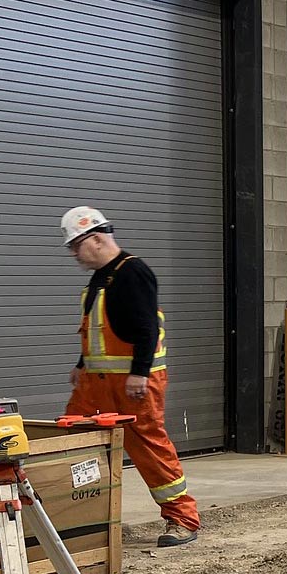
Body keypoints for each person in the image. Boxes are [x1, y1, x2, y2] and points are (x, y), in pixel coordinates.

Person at [62, 206, 202, 547]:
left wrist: (139, 374)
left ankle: (182, 518)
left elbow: (146, 328)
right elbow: (95, 328)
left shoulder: (132, 272)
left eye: (75, 246)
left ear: (94, 239)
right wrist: (82, 364)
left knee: (148, 448)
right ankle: (67, 518)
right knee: (66, 440)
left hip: (133, 384)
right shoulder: (102, 276)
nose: (73, 254)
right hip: (97, 384)